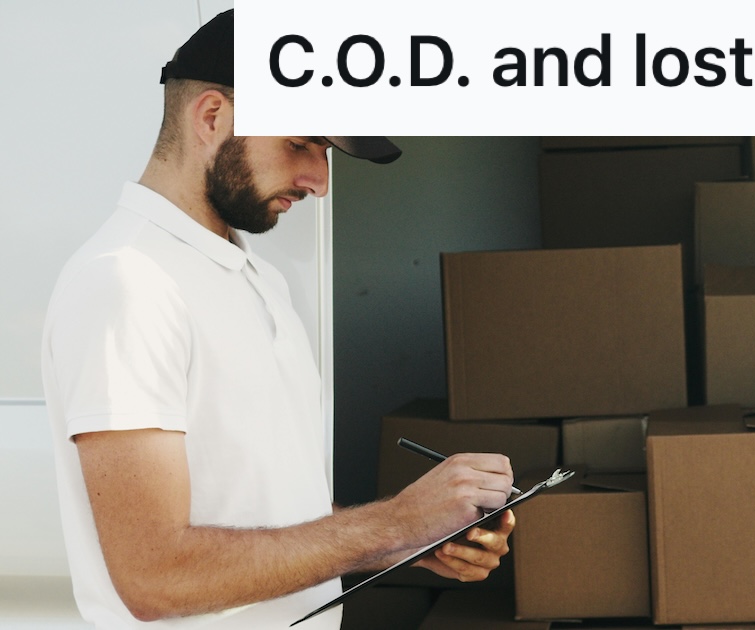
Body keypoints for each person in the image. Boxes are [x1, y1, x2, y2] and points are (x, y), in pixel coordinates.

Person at [40, 9, 515, 629]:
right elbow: (154, 575)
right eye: (300, 143)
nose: (319, 180)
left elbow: (262, 510)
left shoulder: (259, 281)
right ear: (213, 117)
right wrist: (395, 521)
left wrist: (411, 541)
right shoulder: (126, 283)